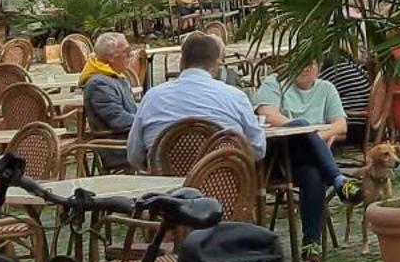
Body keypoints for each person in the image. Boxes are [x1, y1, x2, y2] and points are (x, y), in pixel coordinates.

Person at [254, 59, 358, 262]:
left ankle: (311, 245)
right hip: (278, 160)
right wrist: (302, 130)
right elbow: (268, 114)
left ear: (318, 66)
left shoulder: (326, 88)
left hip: (310, 161)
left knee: (313, 174)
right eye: (300, 62)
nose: (305, 68)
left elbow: (341, 125)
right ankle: (339, 181)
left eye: (310, 64)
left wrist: (315, 137)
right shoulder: (273, 83)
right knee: (302, 127)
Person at [127, 31, 265, 171]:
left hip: (167, 190)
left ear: (181, 62)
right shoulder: (235, 97)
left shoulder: (152, 97)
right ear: (216, 65)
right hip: (222, 188)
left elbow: (134, 156)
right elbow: (258, 149)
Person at [78, 31, 140, 162]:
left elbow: (131, 111)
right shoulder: (98, 84)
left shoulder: (115, 77)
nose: (132, 54)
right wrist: (150, 121)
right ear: (111, 57)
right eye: (127, 51)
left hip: (132, 140)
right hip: (119, 148)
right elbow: (119, 120)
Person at [320, 54, 373, 148]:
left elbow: (311, 94)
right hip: (365, 126)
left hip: (351, 127)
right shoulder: (347, 64)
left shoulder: (329, 71)